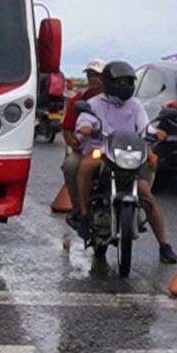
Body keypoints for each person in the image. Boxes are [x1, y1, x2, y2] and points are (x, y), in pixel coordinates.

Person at [74, 60, 177, 264]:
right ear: (109, 82)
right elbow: (84, 122)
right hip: (103, 152)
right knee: (86, 166)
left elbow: (145, 127)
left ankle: (164, 245)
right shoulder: (94, 103)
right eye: (119, 81)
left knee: (146, 194)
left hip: (128, 154)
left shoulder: (135, 105)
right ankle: (85, 215)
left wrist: (155, 131)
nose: (123, 85)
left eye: (127, 81)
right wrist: (86, 128)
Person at [60, 58, 106, 227]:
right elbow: (67, 128)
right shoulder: (81, 100)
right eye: (90, 75)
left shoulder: (117, 100)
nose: (93, 79)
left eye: (97, 75)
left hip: (112, 150)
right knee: (71, 165)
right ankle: (79, 208)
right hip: (88, 150)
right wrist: (73, 142)